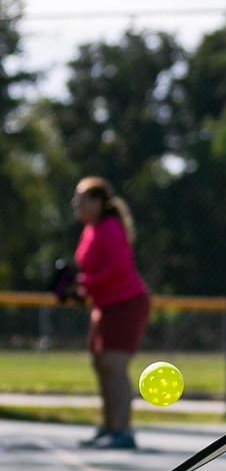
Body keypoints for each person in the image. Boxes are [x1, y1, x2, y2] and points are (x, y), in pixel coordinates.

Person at [70, 176, 151, 449]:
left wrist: (84, 284)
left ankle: (123, 431)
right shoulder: (91, 229)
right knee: (100, 363)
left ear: (97, 201)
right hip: (105, 305)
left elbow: (117, 268)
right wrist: (78, 288)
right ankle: (108, 426)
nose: (76, 203)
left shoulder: (109, 228)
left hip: (126, 303)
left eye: (81, 198)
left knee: (114, 365)